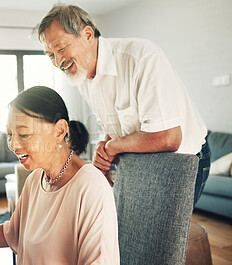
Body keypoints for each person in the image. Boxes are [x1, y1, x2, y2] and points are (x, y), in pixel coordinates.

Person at [38, 4, 210, 206]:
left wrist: (112, 147)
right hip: (142, 164)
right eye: (50, 55)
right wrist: (104, 146)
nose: (58, 61)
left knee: (162, 236)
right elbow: (119, 127)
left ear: (87, 34)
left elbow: (168, 137)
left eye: (60, 48)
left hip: (185, 161)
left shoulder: (141, 57)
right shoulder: (82, 78)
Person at [0, 86, 120, 265]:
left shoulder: (90, 186)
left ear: (59, 131)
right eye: (10, 134)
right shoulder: (35, 179)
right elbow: (13, 233)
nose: (13, 144)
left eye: (23, 134)